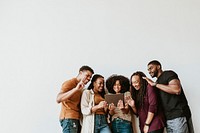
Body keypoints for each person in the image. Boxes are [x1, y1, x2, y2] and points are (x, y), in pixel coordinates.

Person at [143, 60, 194, 133]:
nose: (149, 71)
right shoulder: (157, 82)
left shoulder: (168, 74)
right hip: (168, 119)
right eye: (148, 70)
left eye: (151, 68)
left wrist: (155, 85)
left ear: (158, 66)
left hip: (178, 116)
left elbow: (177, 89)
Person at [56, 65, 94, 133]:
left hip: (76, 119)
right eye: (87, 75)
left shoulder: (82, 88)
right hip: (69, 118)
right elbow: (58, 99)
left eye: (90, 78)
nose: (88, 79)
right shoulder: (70, 83)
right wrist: (75, 89)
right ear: (80, 73)